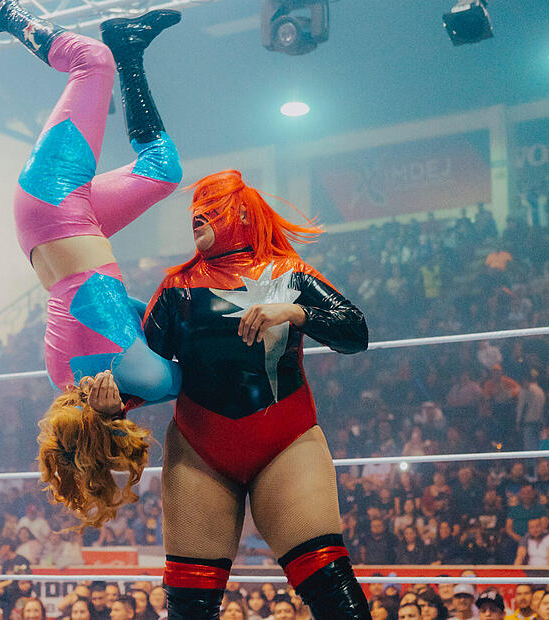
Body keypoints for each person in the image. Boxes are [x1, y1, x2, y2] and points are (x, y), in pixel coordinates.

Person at [0, 0, 184, 528]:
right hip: (62, 224)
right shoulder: (60, 379)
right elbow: (120, 325)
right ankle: (130, 46)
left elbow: (181, 378)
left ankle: (7, 14)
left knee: (91, 61)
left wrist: (128, 403)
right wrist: (121, 404)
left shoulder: (143, 377)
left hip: (54, 200)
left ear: (118, 432)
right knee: (162, 170)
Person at [131, 170, 370, 619]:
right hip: (201, 448)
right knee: (190, 605)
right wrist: (113, 401)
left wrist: (296, 312)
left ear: (242, 213)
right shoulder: (177, 287)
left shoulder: (289, 272)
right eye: (194, 210)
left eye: (211, 208)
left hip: (286, 440)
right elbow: (146, 372)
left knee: (330, 587)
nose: (197, 216)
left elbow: (355, 332)